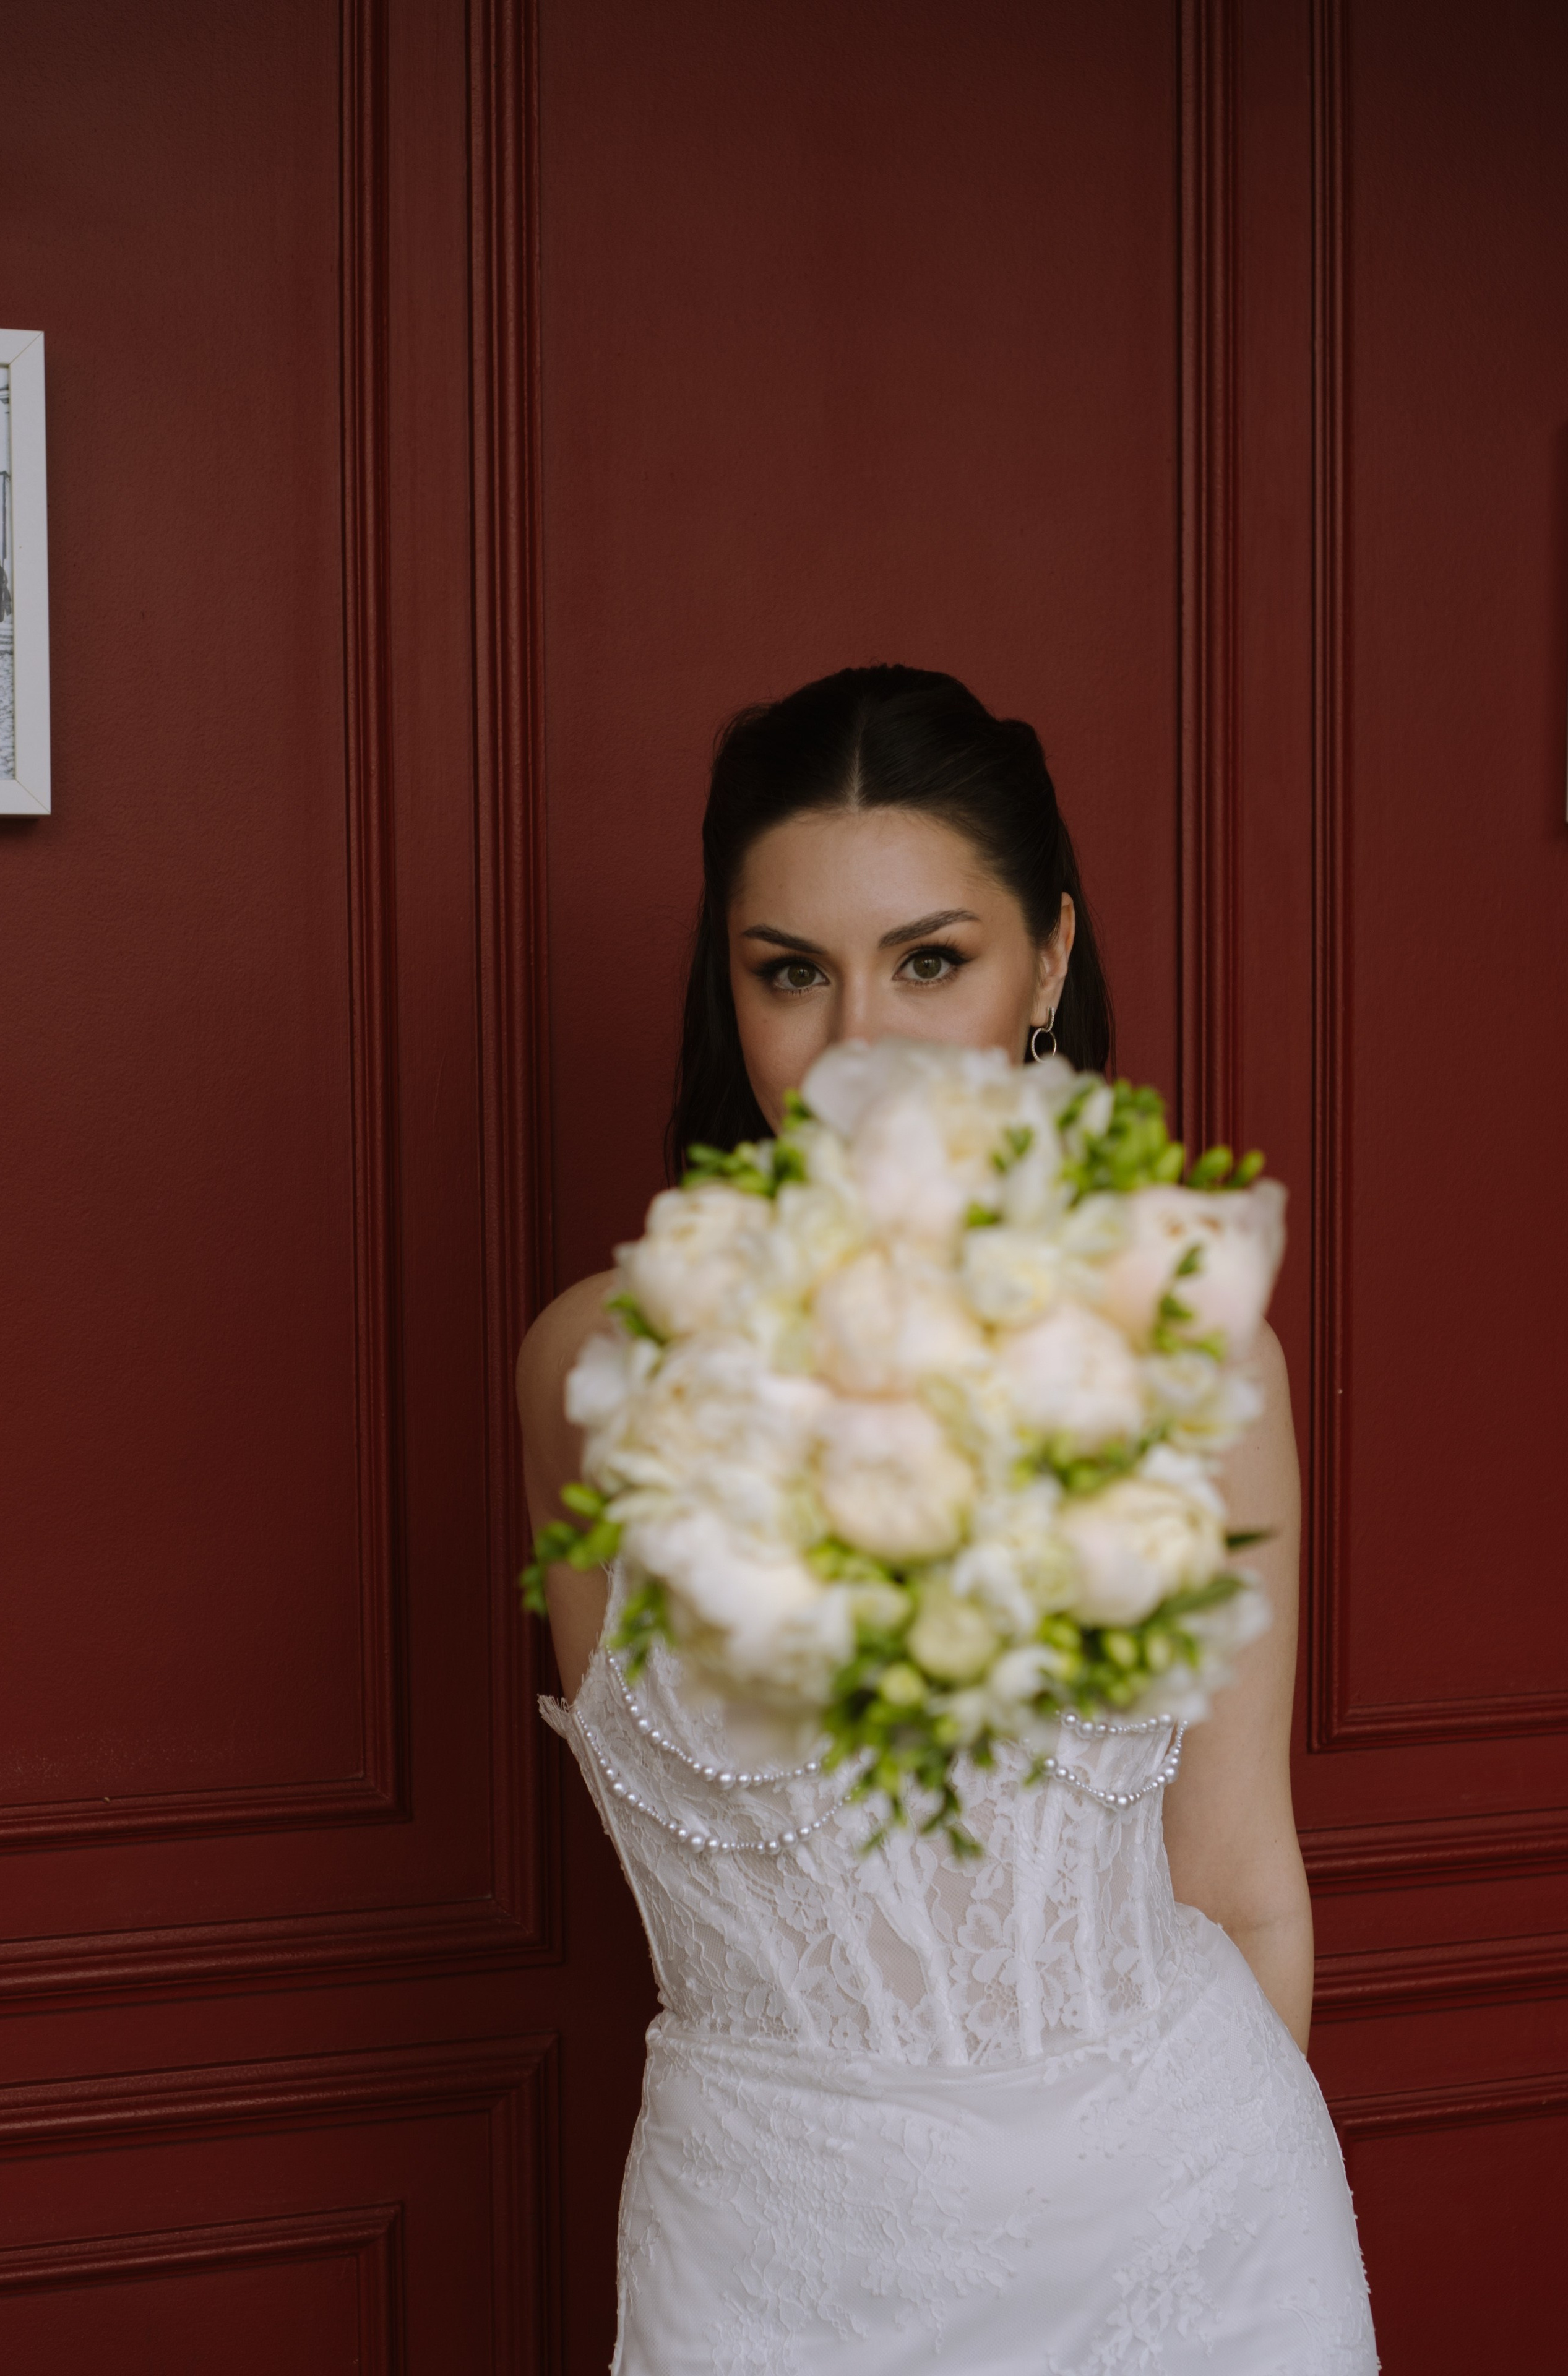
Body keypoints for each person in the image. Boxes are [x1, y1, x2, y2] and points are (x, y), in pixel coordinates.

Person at [517, 665, 1377, 2374]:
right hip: (775, 2259)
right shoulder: (594, 1369)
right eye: (790, 976)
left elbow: (1241, 1877)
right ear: (731, 989)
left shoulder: (1199, 1357)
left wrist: (1225, 2237)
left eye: (932, 961)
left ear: (1045, 960)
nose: (857, 1050)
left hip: (1204, 2249)